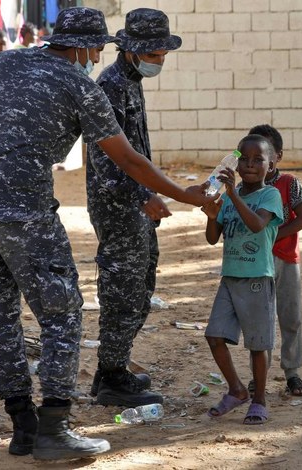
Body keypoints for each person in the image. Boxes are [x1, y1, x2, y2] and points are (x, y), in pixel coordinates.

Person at [0, 7, 212, 460]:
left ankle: (23, 427)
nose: (96, 56)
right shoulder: (80, 86)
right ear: (84, 46)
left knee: (0, 316)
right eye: (97, 47)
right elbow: (129, 160)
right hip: (23, 209)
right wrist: (186, 194)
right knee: (62, 313)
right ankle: (55, 428)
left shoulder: (1, 62)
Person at [86, 7, 182, 407]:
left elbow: (136, 152)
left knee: (141, 287)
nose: (159, 61)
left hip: (133, 203)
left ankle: (115, 368)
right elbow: (108, 160)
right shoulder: (109, 86)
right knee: (123, 291)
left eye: (163, 54)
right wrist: (145, 195)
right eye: (154, 54)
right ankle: (110, 378)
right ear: (131, 50)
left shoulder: (130, 81)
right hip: (118, 205)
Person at [202, 134, 283, 425]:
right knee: (214, 335)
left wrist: (233, 194)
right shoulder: (227, 197)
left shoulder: (269, 196)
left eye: (258, 159)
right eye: (244, 159)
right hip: (230, 278)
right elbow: (213, 239)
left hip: (256, 279)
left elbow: (257, 224)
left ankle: (259, 399)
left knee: (257, 344)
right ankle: (236, 390)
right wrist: (213, 215)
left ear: (271, 165)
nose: (250, 164)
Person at [246, 124, 302, 397]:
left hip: (286, 260)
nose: (258, 161)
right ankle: (258, 376)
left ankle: (292, 372)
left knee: (290, 317)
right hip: (256, 264)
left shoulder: (289, 183)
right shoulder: (245, 188)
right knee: (259, 321)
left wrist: (271, 237)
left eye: (265, 153)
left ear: (277, 157)